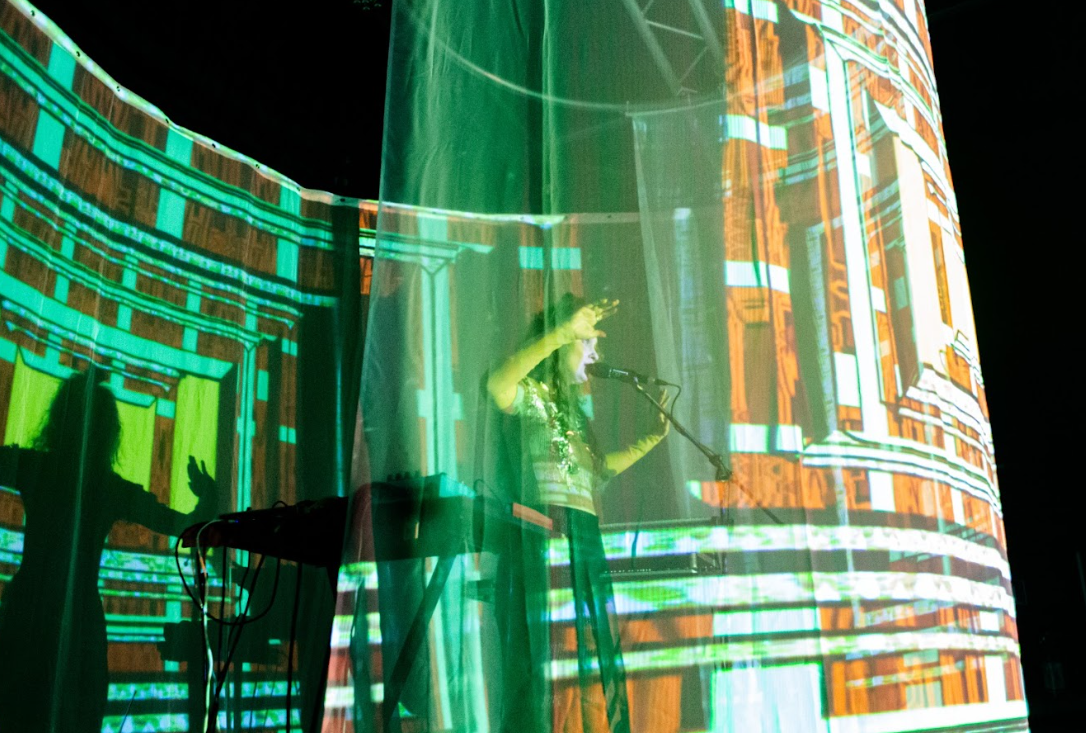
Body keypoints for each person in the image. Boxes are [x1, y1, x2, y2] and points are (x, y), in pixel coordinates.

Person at [487, 294, 669, 733]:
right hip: (545, 535)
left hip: (584, 536)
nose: (594, 353)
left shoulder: (574, 415)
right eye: (587, 341)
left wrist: (650, 441)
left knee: (589, 650)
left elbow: (598, 471)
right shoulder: (531, 396)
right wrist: (563, 332)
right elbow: (497, 386)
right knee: (547, 657)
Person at [0, 369, 218, 733]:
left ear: (58, 419)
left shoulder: (34, 467)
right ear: (108, 432)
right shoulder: (108, 488)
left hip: (28, 611)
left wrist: (80, 385)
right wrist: (207, 500)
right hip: (81, 620)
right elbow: (185, 526)